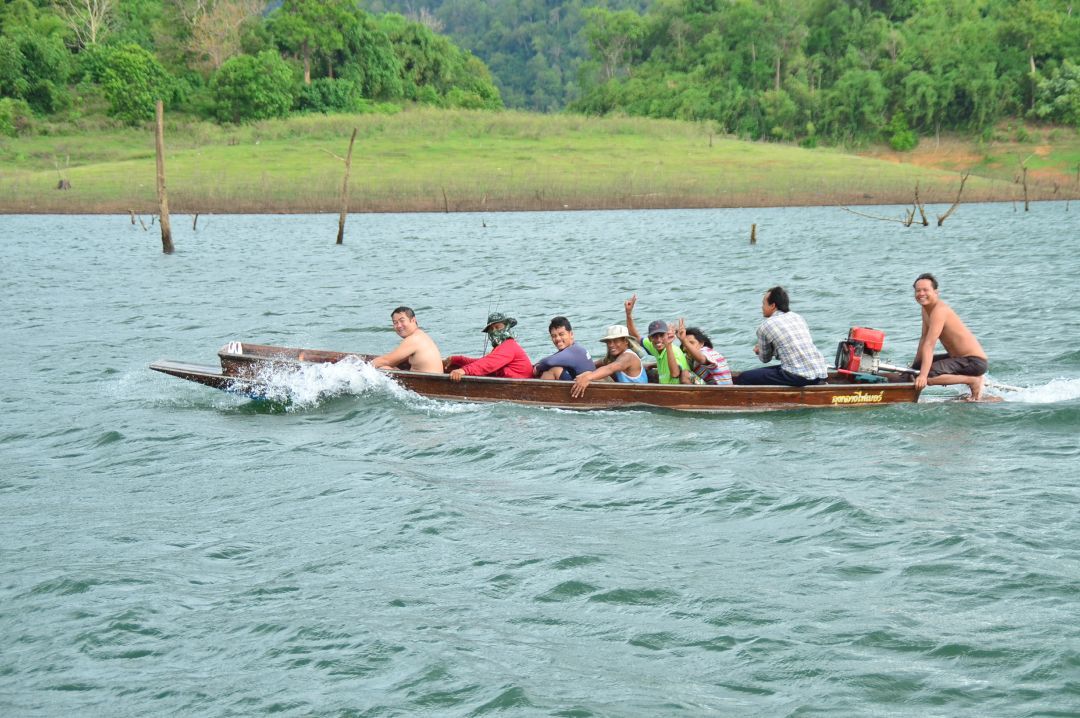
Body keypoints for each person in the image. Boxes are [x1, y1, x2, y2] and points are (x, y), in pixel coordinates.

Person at [911, 272, 988, 400]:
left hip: (974, 361)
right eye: (918, 291)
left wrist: (923, 376)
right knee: (918, 368)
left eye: (925, 290)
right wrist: (916, 366)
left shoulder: (939, 310)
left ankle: (973, 381)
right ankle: (972, 379)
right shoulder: (925, 309)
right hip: (958, 359)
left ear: (936, 292)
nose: (921, 294)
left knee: (928, 375)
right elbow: (924, 338)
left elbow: (930, 344)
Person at [734, 286, 828, 386]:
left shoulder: (765, 326)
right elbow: (792, 348)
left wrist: (759, 350)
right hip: (820, 372)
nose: (762, 307)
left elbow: (765, 359)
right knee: (771, 371)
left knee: (744, 378)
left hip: (798, 376)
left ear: (773, 305)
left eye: (763, 304)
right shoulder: (798, 317)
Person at [443, 312, 533, 381]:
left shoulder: (509, 345)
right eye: (491, 329)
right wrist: (457, 360)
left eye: (498, 327)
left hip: (519, 386)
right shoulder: (501, 347)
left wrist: (463, 371)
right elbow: (483, 362)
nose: (494, 331)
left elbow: (488, 364)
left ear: (507, 327)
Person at [623, 294, 691, 384]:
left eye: (662, 335)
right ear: (650, 338)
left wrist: (668, 344)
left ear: (667, 335)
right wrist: (628, 314)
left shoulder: (674, 351)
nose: (658, 340)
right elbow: (635, 336)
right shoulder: (654, 346)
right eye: (655, 336)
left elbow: (675, 374)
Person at [571, 325, 647, 397]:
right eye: (609, 342)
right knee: (590, 373)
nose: (611, 345)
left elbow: (610, 368)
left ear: (626, 341)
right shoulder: (614, 357)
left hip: (638, 394)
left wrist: (587, 378)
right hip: (627, 393)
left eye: (615, 341)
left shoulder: (628, 356)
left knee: (591, 375)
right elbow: (592, 365)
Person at [370, 306, 444, 373]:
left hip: (427, 384)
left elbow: (387, 360)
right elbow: (393, 361)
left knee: (383, 368)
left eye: (402, 321)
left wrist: (363, 367)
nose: (398, 326)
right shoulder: (421, 335)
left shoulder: (414, 339)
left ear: (413, 320)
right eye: (395, 322)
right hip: (427, 381)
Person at [533, 316, 595, 380]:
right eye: (554, 336)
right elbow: (552, 359)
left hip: (589, 388)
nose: (557, 339)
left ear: (571, 334)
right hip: (583, 385)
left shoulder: (574, 350)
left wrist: (537, 367)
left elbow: (549, 362)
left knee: (554, 370)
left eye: (561, 334)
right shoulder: (573, 349)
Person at [674, 318, 733, 385]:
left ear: (701, 343)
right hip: (710, 387)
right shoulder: (690, 358)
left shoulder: (706, 351)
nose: (687, 347)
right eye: (684, 344)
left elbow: (702, 359)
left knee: (685, 374)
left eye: (691, 343)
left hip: (722, 390)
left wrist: (684, 340)